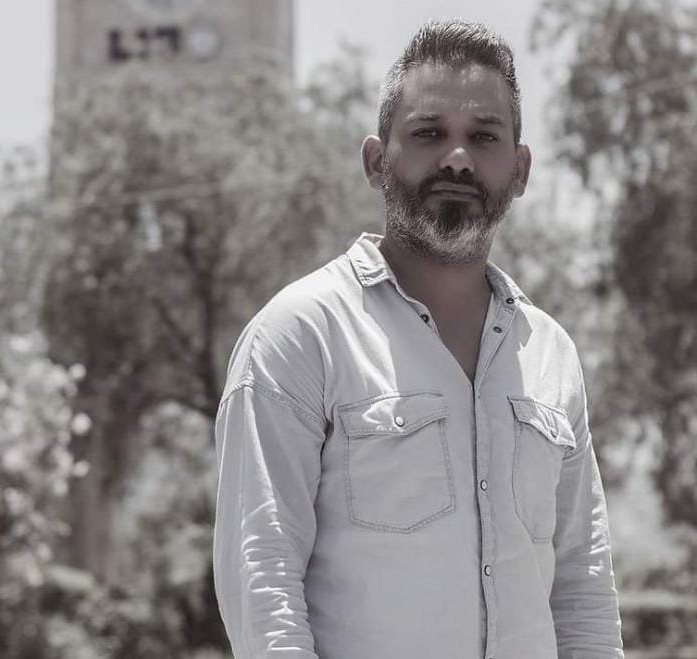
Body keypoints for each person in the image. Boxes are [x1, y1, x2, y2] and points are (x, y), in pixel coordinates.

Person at [212, 19, 624, 659]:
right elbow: (262, 582)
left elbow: (582, 591)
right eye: (429, 133)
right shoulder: (301, 335)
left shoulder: (551, 354)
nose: (457, 158)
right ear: (377, 162)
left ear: (519, 170)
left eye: (483, 137)